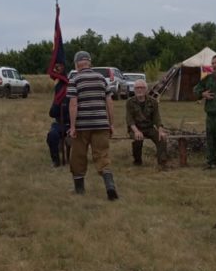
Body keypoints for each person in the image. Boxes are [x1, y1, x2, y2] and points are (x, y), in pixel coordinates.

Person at [67, 50, 118, 199]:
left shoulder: (75, 79)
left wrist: (72, 126)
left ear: (77, 64)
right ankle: (110, 186)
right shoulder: (102, 78)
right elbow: (109, 102)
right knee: (102, 156)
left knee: (78, 157)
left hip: (82, 126)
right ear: (89, 63)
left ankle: (80, 190)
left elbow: (73, 104)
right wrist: (111, 123)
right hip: (101, 124)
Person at [125, 79, 169, 168]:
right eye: (137, 88)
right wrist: (136, 131)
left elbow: (157, 118)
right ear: (134, 90)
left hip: (149, 128)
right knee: (138, 139)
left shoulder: (153, 101)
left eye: (142, 88)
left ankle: (162, 162)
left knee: (162, 138)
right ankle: (137, 161)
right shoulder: (130, 102)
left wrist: (160, 130)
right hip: (135, 128)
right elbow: (129, 119)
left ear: (146, 90)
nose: (139, 90)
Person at [47, 60, 71, 167]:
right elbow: (52, 113)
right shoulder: (59, 95)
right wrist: (58, 104)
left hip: (72, 125)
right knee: (52, 135)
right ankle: (56, 160)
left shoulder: (73, 97)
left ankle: (72, 159)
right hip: (59, 124)